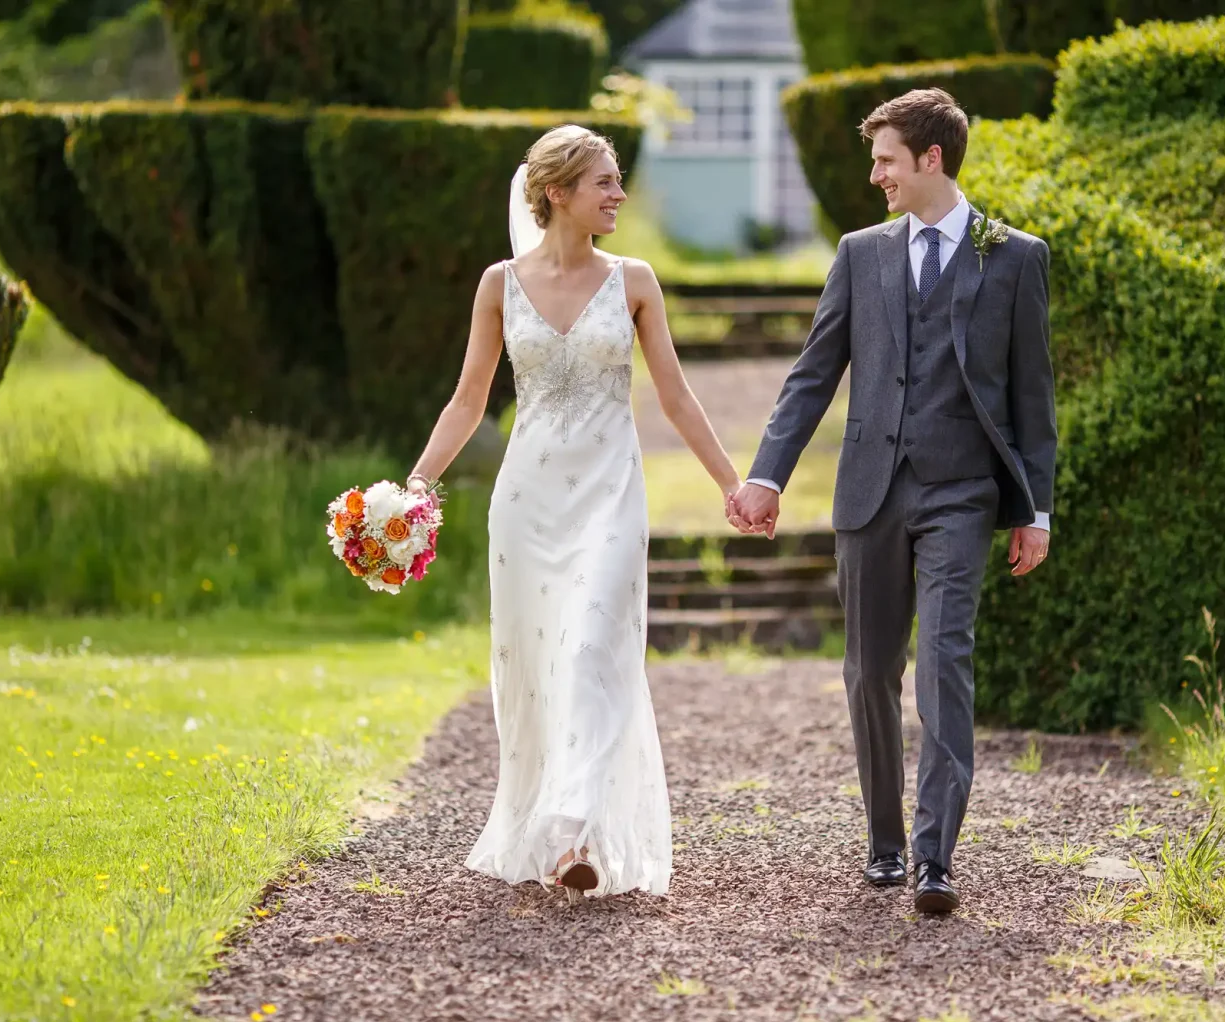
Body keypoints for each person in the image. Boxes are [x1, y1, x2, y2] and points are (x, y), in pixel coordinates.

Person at [727, 88, 1057, 915]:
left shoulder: (1014, 256)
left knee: (945, 662)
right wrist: (767, 473)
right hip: (870, 492)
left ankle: (935, 857)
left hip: (963, 493)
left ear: (930, 160)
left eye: (884, 160)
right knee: (871, 671)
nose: (875, 174)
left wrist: (1035, 510)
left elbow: (1032, 397)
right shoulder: (861, 253)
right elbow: (813, 373)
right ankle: (885, 842)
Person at [405, 125, 744, 900]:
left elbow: (676, 397)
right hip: (526, 504)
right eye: (605, 182)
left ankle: (573, 827)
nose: (620, 195)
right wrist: (418, 483)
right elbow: (468, 400)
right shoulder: (499, 284)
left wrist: (730, 482)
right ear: (557, 193)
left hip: (609, 497)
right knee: (537, 667)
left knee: (592, 649)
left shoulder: (635, 281)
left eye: (618, 181)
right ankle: (562, 839)